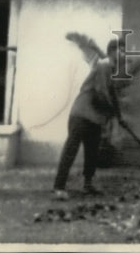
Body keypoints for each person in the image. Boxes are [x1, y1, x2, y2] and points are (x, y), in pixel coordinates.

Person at [51, 37, 130, 199]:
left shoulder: (112, 69)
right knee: (71, 149)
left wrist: (119, 116)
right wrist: (113, 113)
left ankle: (88, 185)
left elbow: (112, 95)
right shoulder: (104, 65)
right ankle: (58, 187)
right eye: (121, 50)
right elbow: (102, 92)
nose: (123, 54)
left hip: (94, 117)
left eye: (125, 51)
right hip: (81, 113)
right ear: (112, 52)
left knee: (92, 152)